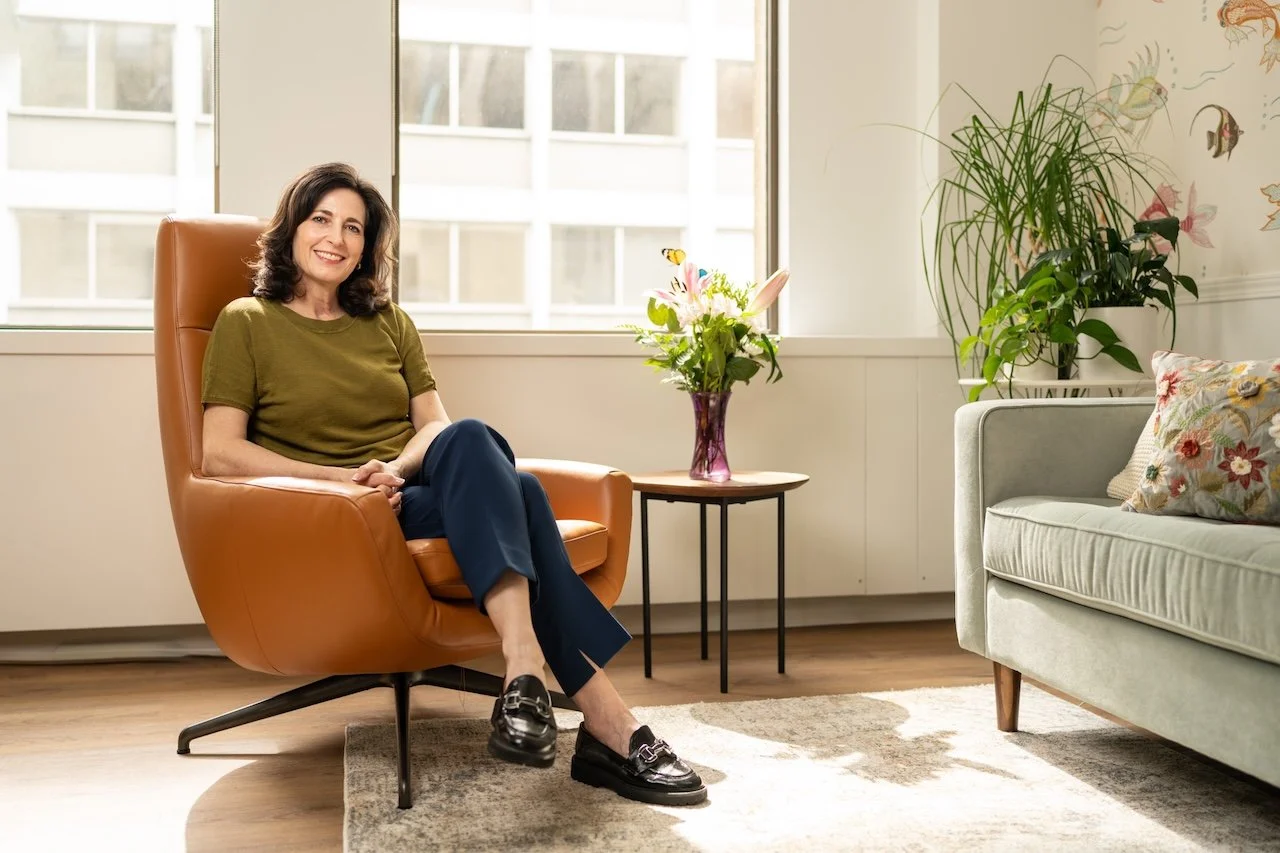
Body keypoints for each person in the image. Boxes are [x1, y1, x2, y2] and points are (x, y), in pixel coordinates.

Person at [199, 162, 706, 807]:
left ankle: (524, 669)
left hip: (404, 496)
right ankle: (605, 723)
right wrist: (346, 481)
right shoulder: (248, 321)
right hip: (329, 511)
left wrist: (393, 471)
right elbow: (219, 452)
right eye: (321, 219)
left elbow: (431, 427)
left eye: (353, 226)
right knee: (521, 496)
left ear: (367, 246)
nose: (337, 237)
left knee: (467, 435)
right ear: (292, 230)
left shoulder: (388, 323)